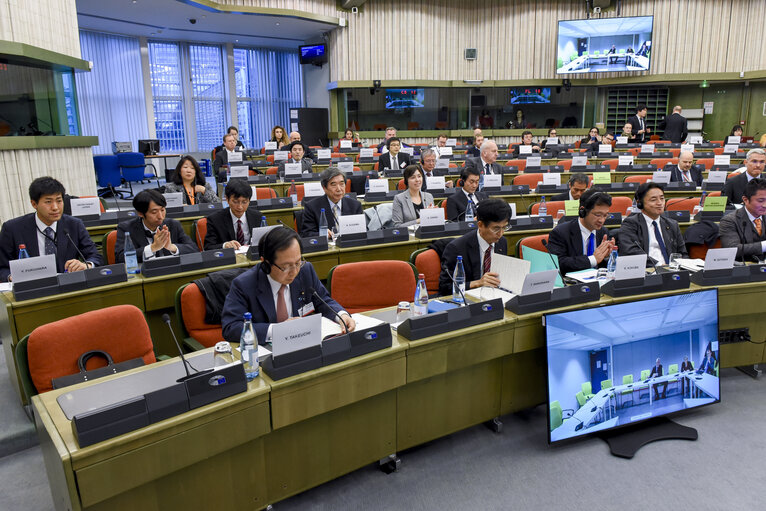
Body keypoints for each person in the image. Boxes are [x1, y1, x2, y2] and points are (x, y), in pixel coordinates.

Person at [221, 227, 354, 345]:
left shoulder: (305, 270)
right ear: (265, 263)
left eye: (297, 263)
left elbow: (324, 301)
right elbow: (231, 327)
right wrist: (278, 330)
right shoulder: (244, 284)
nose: (294, 272)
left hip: (303, 345)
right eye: (286, 267)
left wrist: (342, 316)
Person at [0, 177, 102, 282]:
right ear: (34, 204)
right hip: (31, 289)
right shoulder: (12, 229)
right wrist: (11, 277)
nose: (55, 207)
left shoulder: (74, 225)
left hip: (67, 286)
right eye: (48, 202)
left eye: (59, 201)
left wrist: (87, 265)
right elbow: (2, 268)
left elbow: (95, 257)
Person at [438, 199, 510, 296]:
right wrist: (477, 283)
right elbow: (445, 287)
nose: (501, 234)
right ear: (480, 225)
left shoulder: (502, 242)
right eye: (496, 229)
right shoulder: (456, 248)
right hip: (467, 300)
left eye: (504, 227)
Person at [115, 189, 198, 263]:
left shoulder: (173, 224)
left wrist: (172, 247)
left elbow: (193, 249)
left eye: (162, 210)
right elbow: (121, 257)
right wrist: (152, 248)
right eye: (154, 212)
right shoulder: (126, 228)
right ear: (140, 213)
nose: (160, 216)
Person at [547, 189, 616, 275]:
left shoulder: (603, 232)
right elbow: (559, 263)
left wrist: (608, 256)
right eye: (597, 215)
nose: (602, 220)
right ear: (582, 211)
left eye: (605, 215)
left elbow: (602, 266)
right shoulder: (561, 233)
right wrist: (593, 259)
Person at [618, 183, 687, 266]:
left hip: (672, 271)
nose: (660, 203)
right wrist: (659, 265)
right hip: (647, 271)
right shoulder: (630, 224)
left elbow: (683, 253)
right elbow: (631, 252)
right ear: (640, 203)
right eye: (653, 200)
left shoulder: (672, 224)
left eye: (662, 198)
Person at [300, 167, 363, 237]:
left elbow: (361, 231)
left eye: (342, 184)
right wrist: (322, 234)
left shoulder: (355, 206)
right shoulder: (312, 207)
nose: (339, 189)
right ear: (324, 188)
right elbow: (306, 234)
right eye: (333, 184)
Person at [203, 179, 263, 250]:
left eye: (244, 202)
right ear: (227, 199)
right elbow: (208, 247)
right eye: (235, 202)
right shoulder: (215, 219)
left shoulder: (257, 216)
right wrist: (225, 245)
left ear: (249, 201)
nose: (240, 207)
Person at [719, 177, 766, 262]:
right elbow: (733, 249)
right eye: (760, 201)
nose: (765, 205)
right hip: (743, 269)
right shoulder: (729, 221)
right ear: (745, 200)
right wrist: (764, 246)